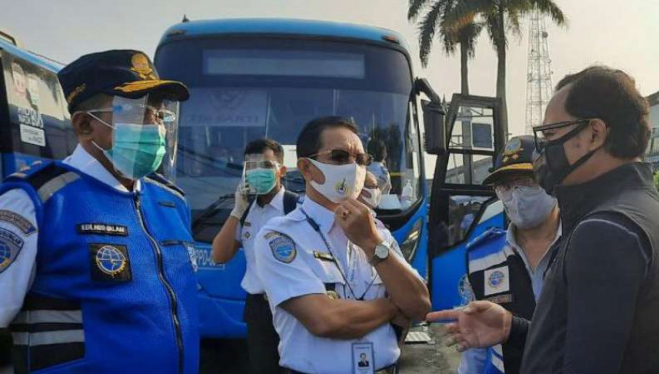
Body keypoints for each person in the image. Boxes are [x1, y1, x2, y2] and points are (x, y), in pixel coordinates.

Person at [428, 66, 659, 374]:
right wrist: (513, 328)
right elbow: (595, 344)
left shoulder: (604, 231)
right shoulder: (642, 209)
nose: (544, 152)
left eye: (551, 135)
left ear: (594, 133)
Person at [0, 50, 199, 374]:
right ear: (84, 125)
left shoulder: (170, 201)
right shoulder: (39, 200)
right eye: (139, 113)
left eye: (160, 115)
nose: (156, 127)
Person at [254, 116, 430, 374]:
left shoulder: (377, 232)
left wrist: (372, 244)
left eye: (360, 160)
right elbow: (325, 320)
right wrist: (392, 306)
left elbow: (419, 304)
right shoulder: (280, 237)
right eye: (339, 157)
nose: (353, 167)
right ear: (306, 168)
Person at [459, 136, 560, 374]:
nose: (516, 194)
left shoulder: (584, 243)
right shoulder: (480, 255)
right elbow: (473, 348)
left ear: (554, 180)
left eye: (526, 180)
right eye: (505, 186)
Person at [211, 138, 300, 374]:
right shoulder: (246, 210)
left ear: (281, 170)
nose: (258, 172)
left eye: (266, 166)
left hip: (297, 306)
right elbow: (219, 255)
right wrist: (237, 209)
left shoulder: (297, 208)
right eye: (251, 167)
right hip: (259, 310)